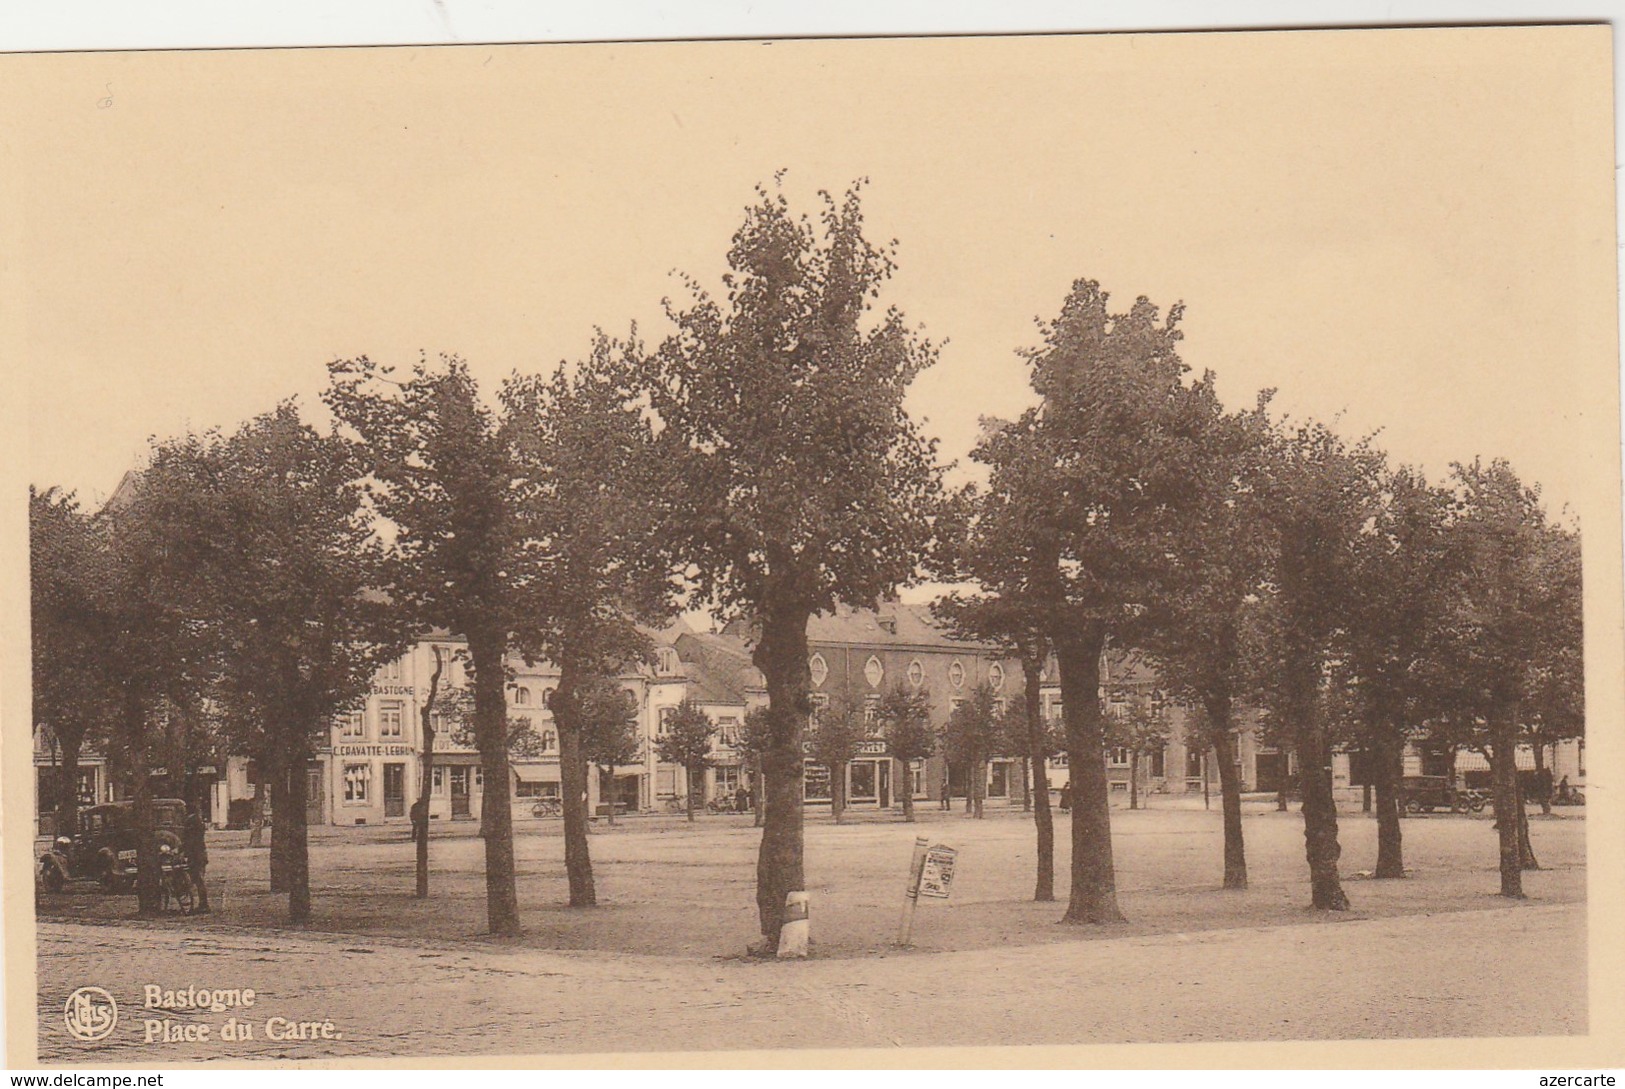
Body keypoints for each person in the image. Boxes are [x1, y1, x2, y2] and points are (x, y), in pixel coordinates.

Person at [182, 801, 210, 914]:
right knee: (197, 880)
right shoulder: (196, 820)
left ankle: (203, 904)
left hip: (196, 855)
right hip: (199, 854)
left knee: (198, 880)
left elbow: (190, 841)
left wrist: (182, 850)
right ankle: (201, 904)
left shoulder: (192, 821)